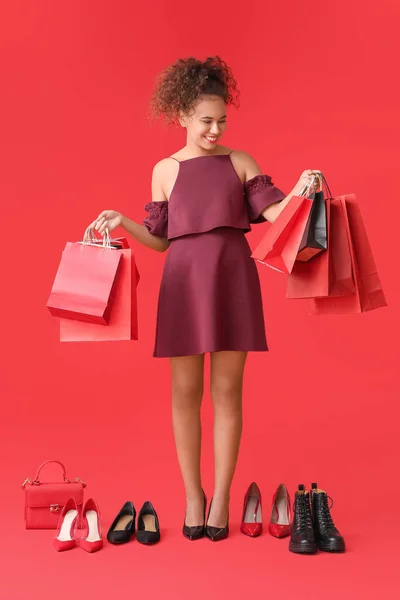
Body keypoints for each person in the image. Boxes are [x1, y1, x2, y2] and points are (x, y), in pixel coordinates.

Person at [92, 56, 320, 541]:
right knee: (183, 395)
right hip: (182, 282)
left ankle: (221, 497)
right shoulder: (164, 170)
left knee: (227, 393)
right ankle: (193, 495)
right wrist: (124, 222)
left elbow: (276, 213)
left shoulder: (241, 162)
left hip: (232, 280)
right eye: (206, 121)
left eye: (222, 121)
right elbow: (161, 241)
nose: (215, 129)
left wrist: (301, 188)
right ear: (181, 116)